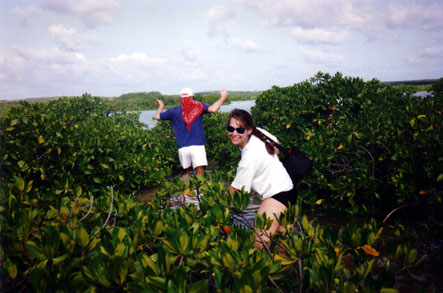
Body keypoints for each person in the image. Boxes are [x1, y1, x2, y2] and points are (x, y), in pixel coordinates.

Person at [227, 109, 297, 250]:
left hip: (276, 197)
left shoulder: (248, 158)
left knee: (259, 244)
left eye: (239, 130)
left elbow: (236, 192)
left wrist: (219, 213)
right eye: (230, 129)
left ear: (248, 130)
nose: (234, 133)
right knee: (284, 246)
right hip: (290, 190)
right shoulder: (260, 133)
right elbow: (276, 144)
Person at [155, 88, 228, 178]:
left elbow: (158, 117)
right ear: (192, 97)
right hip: (197, 145)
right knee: (200, 171)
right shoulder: (199, 106)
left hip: (182, 148)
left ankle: (185, 191)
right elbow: (213, 109)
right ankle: (198, 191)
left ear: (181, 99)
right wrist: (223, 97)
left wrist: (161, 105)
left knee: (186, 172)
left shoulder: (173, 111)